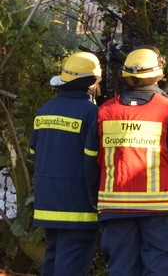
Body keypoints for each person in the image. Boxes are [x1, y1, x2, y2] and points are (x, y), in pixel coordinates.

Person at [97, 47, 168, 276]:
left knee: (121, 269)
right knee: (159, 269)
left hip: (117, 208)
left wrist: (91, 195)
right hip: (160, 208)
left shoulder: (105, 111)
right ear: (158, 74)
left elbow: (90, 158)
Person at [29, 51, 103, 276]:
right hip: (77, 206)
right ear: (91, 83)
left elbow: (35, 152)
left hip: (47, 204)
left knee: (53, 260)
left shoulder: (44, 111)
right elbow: (96, 159)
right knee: (71, 265)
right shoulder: (91, 114)